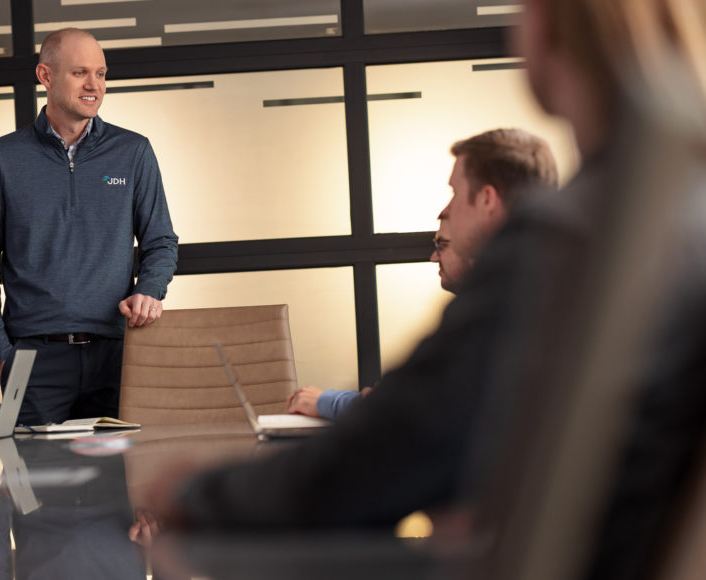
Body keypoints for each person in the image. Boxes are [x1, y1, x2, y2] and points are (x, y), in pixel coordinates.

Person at [161, 0, 706, 555]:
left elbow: (392, 451)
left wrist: (199, 495)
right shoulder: (676, 215)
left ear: (547, 27)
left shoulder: (569, 241)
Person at [0, 28, 179, 427]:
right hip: (27, 358)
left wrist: (149, 289)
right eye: (80, 72)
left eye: (101, 73)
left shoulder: (134, 152)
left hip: (118, 354)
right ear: (45, 76)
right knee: (20, 481)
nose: (94, 85)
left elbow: (161, 241)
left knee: (120, 483)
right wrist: (0, 358)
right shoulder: (1, 157)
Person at [287, 128, 558, 420]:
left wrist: (336, 403)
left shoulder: (491, 308)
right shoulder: (556, 289)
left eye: (454, 192)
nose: (447, 208)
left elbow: (403, 413)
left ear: (487, 200)